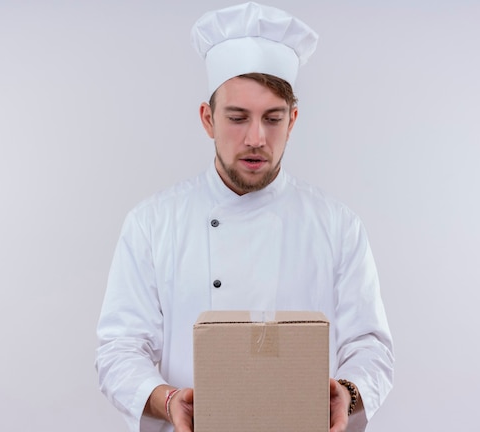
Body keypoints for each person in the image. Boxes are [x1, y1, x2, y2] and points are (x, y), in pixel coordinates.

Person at [95, 2, 394, 432]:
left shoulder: (337, 225)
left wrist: (347, 392)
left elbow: (371, 345)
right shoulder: (152, 223)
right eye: (237, 118)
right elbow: (119, 348)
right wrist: (168, 400)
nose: (256, 138)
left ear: (292, 120)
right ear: (207, 119)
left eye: (272, 119)